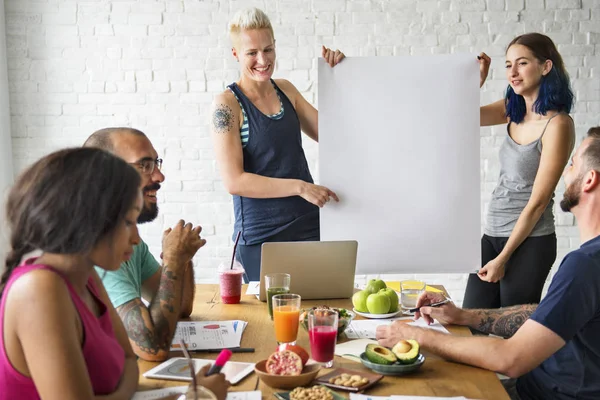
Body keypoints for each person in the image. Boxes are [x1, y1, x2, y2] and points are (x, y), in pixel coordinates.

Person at [376, 127, 600, 400]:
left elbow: (511, 358)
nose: (565, 171)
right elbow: (544, 318)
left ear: (589, 180)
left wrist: (415, 335)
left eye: (572, 163)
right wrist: (462, 316)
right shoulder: (589, 261)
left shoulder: (585, 265)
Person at [210, 7, 344, 281]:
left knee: (319, 315)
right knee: (268, 321)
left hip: (308, 226)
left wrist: (340, 78)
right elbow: (234, 181)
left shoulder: (286, 90)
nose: (263, 59)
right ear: (236, 54)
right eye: (252, 53)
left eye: (268, 49)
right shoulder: (227, 105)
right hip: (261, 237)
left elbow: (335, 136)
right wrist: (300, 187)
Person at [0, 147, 141, 399]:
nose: (136, 239)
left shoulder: (86, 276)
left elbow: (130, 360)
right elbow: (127, 372)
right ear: (88, 218)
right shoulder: (39, 289)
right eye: (129, 222)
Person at [464, 32, 576, 309]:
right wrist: (476, 80)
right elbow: (459, 115)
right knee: (468, 323)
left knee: (510, 333)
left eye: (522, 63)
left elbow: (538, 202)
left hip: (530, 242)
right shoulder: (512, 110)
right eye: (508, 64)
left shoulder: (558, 125)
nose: (512, 72)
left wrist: (504, 258)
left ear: (545, 66)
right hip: (492, 232)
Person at [84, 128, 204, 362]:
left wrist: (181, 259)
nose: (159, 176)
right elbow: (152, 348)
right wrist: (173, 260)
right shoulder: (100, 250)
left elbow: (180, 307)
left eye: (156, 163)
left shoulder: (129, 240)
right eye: (145, 165)